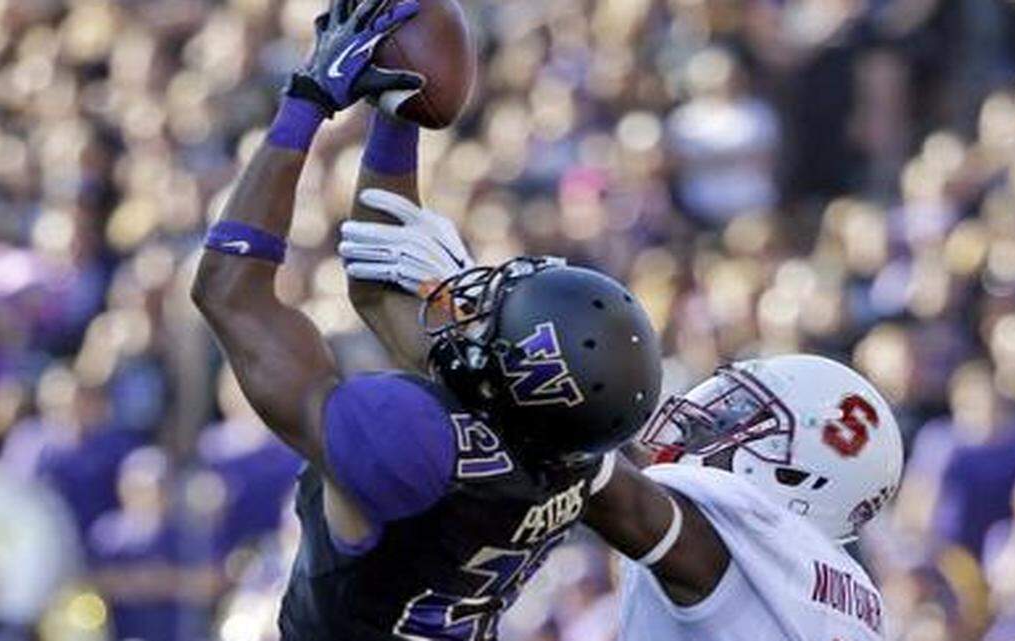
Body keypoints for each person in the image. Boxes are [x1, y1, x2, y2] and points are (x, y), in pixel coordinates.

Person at [189, 2, 663, 640]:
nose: (473, 310)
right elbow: (384, 285)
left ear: (521, 376)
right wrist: (399, 116)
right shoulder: (568, 449)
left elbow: (229, 294)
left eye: (495, 317)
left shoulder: (411, 442)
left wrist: (305, 102)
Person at [341, 192, 905, 641]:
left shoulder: (758, 531)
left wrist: (483, 334)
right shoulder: (842, 589)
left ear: (799, 476)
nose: (709, 419)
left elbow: (609, 488)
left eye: (746, 420)